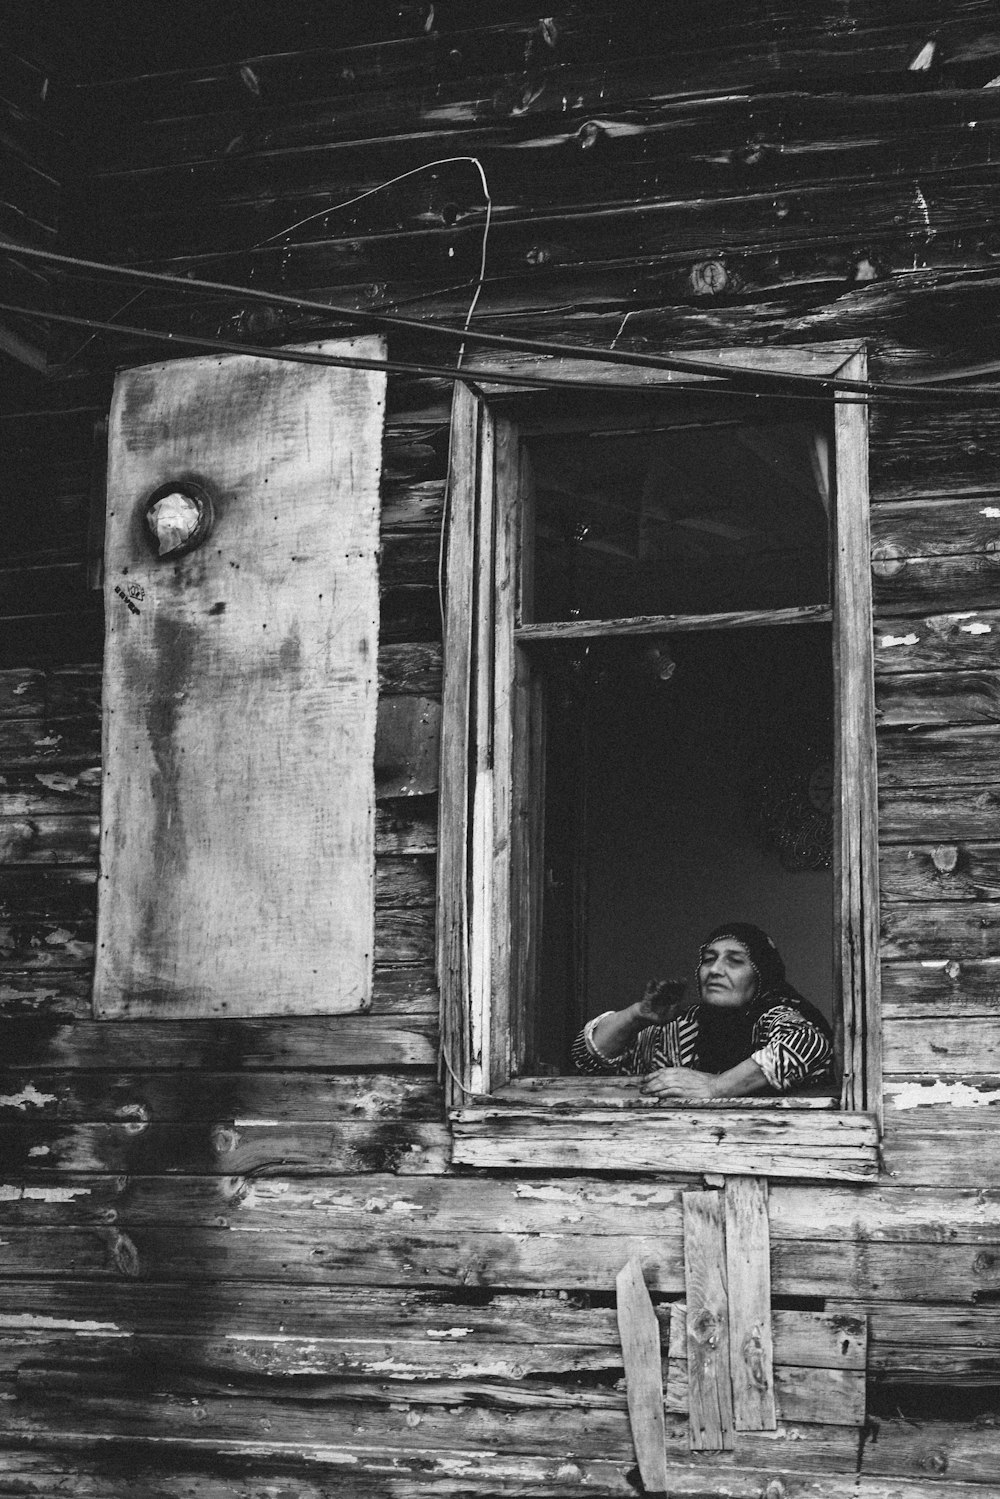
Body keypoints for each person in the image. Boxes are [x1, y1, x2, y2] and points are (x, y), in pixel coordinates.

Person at [572, 921, 833, 1099]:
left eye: (735, 961)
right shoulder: (685, 1027)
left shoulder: (774, 1016)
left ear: (762, 975)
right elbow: (587, 1060)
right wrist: (636, 1015)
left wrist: (715, 1087)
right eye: (709, 960)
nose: (715, 970)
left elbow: (808, 1044)